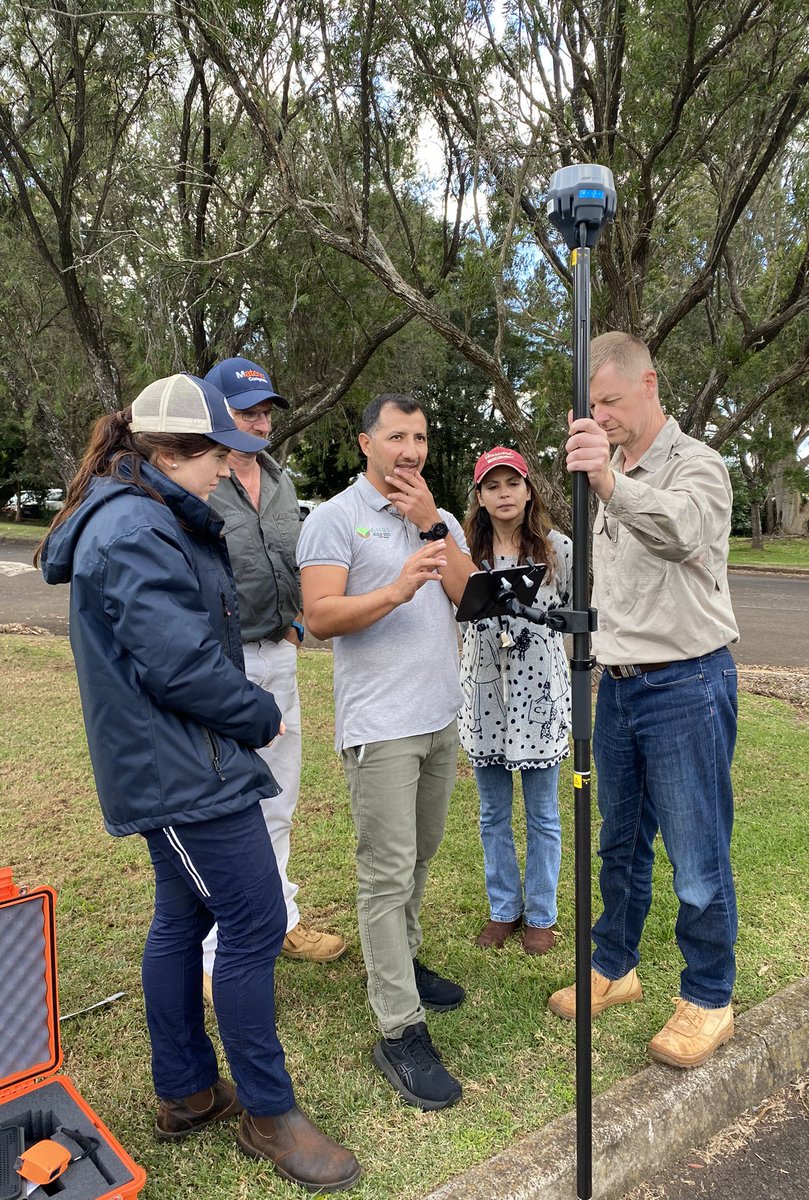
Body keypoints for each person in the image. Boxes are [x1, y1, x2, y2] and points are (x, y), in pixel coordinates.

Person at [38, 374, 360, 1191]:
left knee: (182, 916)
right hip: (180, 768)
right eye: (219, 454)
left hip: (181, 760)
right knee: (253, 922)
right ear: (172, 452)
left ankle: (185, 1094)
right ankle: (267, 1111)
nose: (228, 469)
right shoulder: (134, 530)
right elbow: (176, 663)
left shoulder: (146, 512)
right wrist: (255, 713)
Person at [549, 332, 741, 1071]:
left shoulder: (697, 466)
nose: (598, 415)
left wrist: (610, 488)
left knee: (696, 853)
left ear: (650, 384)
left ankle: (709, 996)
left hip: (686, 683)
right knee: (617, 842)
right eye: (590, 403)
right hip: (619, 684)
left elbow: (686, 530)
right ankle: (614, 965)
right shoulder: (614, 469)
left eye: (610, 400)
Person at [297, 393, 472, 1111]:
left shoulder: (441, 517)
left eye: (421, 436)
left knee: (421, 854)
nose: (410, 449)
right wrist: (397, 590)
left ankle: (403, 956)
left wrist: (431, 522)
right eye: (396, 435)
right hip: (381, 729)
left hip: (439, 719)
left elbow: (470, 597)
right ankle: (399, 1026)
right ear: (364, 442)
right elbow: (319, 618)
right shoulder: (336, 519)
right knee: (384, 870)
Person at [199, 356, 346, 994]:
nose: (259, 423)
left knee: (279, 797)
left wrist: (293, 627)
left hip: (279, 652)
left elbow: (302, 563)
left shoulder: (283, 484)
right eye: (245, 411)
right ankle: (215, 946)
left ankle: (280, 916)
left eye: (264, 412)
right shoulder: (197, 481)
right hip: (219, 664)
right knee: (222, 803)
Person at [459, 447, 572, 955]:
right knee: (492, 812)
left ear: (529, 490)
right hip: (485, 695)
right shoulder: (467, 556)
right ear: (479, 497)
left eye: (512, 483)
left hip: (539, 697)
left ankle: (542, 914)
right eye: (492, 486)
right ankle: (503, 908)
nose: (503, 494)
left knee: (543, 813)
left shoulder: (557, 550)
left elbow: (570, 613)